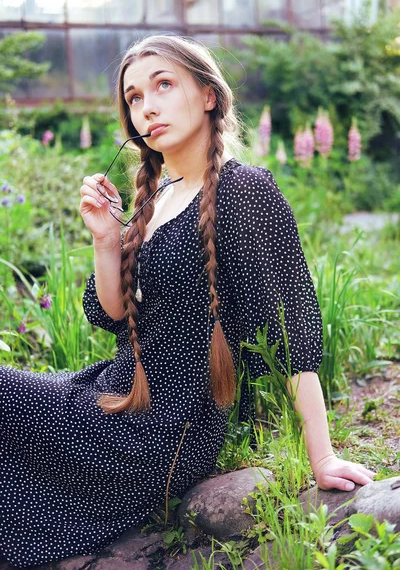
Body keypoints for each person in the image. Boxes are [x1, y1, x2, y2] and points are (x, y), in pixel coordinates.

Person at [0, 34, 376, 568]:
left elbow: (289, 328)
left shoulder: (241, 191)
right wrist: (107, 237)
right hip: (112, 395)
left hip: (165, 428)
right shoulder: (155, 196)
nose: (146, 106)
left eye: (163, 84)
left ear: (207, 95)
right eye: (133, 97)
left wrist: (323, 456)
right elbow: (112, 314)